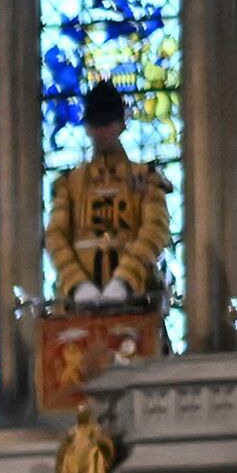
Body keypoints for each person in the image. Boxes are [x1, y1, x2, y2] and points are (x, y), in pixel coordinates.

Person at [44, 78, 171, 312]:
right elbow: (55, 235)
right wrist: (77, 283)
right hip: (77, 308)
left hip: (136, 302)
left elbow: (155, 230)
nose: (102, 131)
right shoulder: (69, 184)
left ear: (121, 124)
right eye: (96, 124)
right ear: (87, 127)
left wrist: (125, 279)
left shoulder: (147, 178)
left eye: (108, 123)